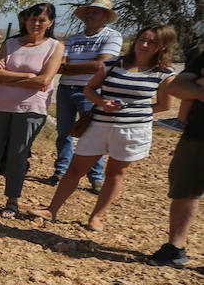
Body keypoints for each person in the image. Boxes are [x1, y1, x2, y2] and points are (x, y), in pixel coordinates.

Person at [33, 26, 178, 231]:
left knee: (115, 174)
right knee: (75, 169)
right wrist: (102, 102)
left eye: (151, 42)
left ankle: (96, 217)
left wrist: (135, 111)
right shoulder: (112, 64)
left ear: (162, 47)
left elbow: (165, 105)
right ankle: (51, 210)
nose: (144, 45)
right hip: (99, 125)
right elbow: (89, 89)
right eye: (141, 39)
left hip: (132, 130)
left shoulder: (164, 74)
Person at [0, 3, 66, 218]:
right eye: (32, 19)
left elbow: (44, 80)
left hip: (31, 109)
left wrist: (11, 76)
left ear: (51, 22)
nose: (36, 23)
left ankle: (12, 201)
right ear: (25, 21)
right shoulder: (11, 43)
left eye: (42, 20)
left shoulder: (55, 47)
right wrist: (28, 77)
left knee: (17, 156)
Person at [52, 0, 122, 191]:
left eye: (96, 12)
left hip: (91, 91)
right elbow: (59, 66)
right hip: (66, 89)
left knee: (92, 134)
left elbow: (101, 65)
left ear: (106, 17)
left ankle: (96, 176)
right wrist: (84, 67)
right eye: (89, 12)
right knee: (64, 132)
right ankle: (61, 171)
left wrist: (69, 67)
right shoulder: (73, 38)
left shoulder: (112, 37)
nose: (90, 15)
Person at [144, 45, 204, 268]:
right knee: (184, 190)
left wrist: (196, 87)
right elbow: (177, 87)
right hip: (197, 134)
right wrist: (200, 91)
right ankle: (175, 248)